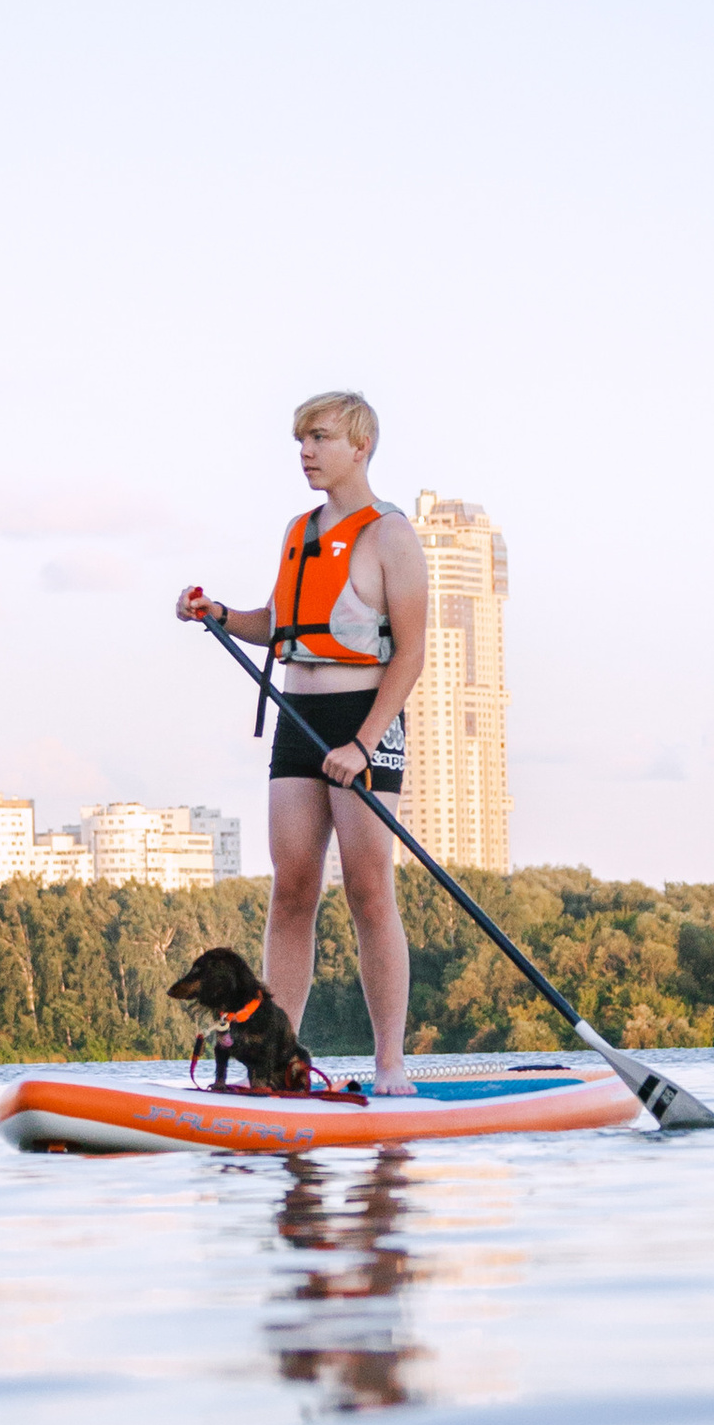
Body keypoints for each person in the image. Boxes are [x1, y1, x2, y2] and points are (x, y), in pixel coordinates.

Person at [178, 390, 429, 1098]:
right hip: (296, 715)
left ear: (360, 447)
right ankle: (271, 1065)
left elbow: (409, 657)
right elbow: (279, 624)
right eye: (300, 442)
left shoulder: (391, 536)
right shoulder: (299, 530)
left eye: (318, 438)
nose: (306, 453)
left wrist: (365, 742)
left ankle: (390, 1066)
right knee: (291, 890)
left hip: (362, 718)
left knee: (369, 888)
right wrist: (220, 614)